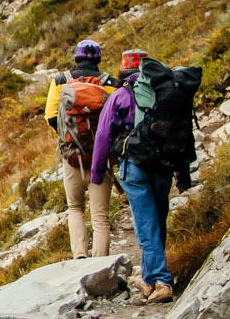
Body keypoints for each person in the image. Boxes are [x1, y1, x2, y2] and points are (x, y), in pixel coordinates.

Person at [97, 49, 176, 303]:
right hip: (164, 166)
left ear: (123, 70)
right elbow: (181, 133)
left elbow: (103, 136)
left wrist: (98, 173)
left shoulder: (119, 95)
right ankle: (150, 279)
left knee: (146, 226)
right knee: (158, 222)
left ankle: (162, 282)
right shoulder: (164, 94)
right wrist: (182, 174)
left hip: (134, 168)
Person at [42, 39, 112, 259]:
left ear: (76, 57)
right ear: (98, 58)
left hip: (72, 155)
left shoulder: (61, 81)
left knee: (75, 208)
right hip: (102, 159)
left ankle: (80, 255)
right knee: (100, 216)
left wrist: (67, 140)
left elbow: (51, 117)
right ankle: (101, 262)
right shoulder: (109, 83)